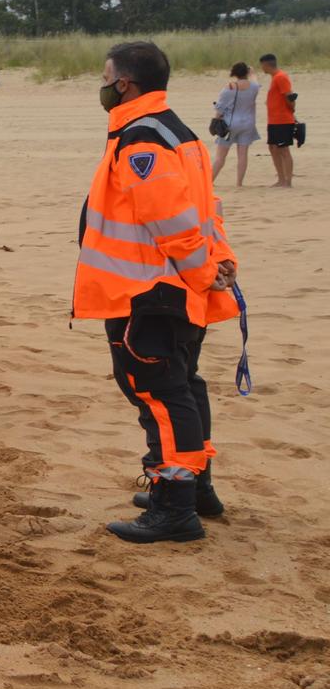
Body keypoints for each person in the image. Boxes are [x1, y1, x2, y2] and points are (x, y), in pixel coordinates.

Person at [78, 41, 239, 542]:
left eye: (106, 77)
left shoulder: (143, 139)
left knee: (160, 393)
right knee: (183, 386)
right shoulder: (177, 131)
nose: (102, 86)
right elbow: (207, 209)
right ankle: (193, 485)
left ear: (124, 83)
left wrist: (204, 272)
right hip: (171, 290)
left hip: (151, 293)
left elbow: (173, 221)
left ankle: (175, 504)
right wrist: (221, 261)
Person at [210, 62, 260, 190]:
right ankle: (239, 183)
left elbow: (220, 108)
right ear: (246, 73)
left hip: (230, 124)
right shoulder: (254, 87)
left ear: (234, 73)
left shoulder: (230, 88)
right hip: (248, 123)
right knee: (243, 155)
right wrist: (252, 73)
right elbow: (255, 81)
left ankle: (209, 181)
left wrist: (215, 121)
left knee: (220, 157)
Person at [260, 53, 298, 188]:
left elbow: (290, 97)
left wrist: (292, 113)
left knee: (283, 149)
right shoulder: (275, 77)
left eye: (262, 65)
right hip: (274, 120)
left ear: (266, 64)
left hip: (282, 120)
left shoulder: (281, 77)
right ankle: (281, 179)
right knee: (273, 148)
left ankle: (288, 181)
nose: (261, 68)